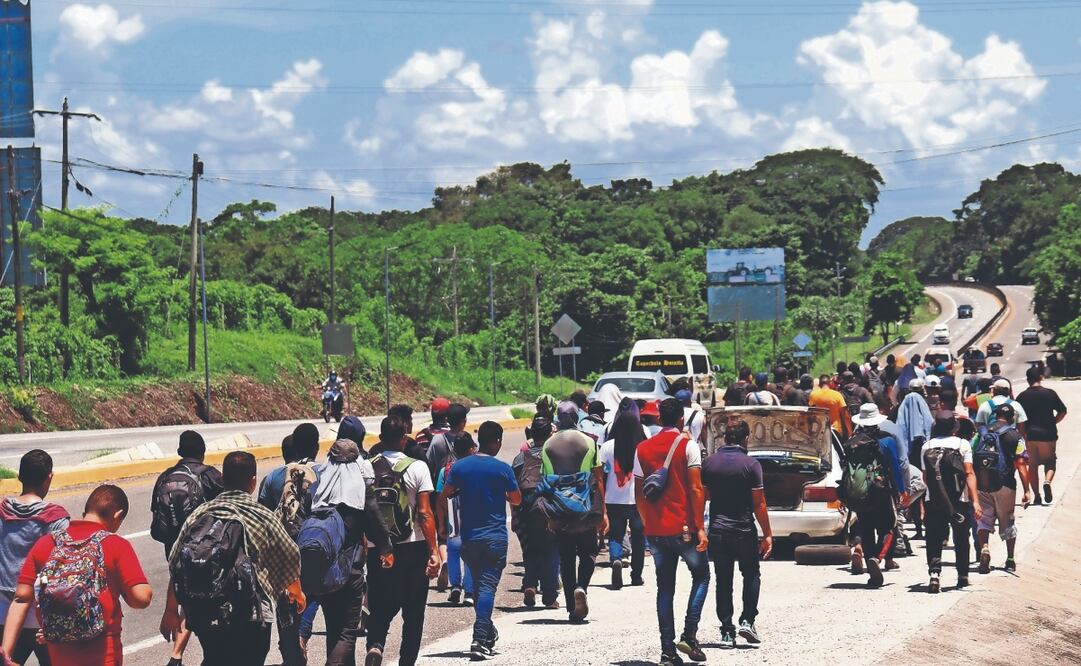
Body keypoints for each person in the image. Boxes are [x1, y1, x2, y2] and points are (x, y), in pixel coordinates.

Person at [163, 451, 302, 666]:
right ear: (253, 482)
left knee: (214, 659)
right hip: (251, 617)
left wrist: (170, 611)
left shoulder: (200, 513)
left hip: (207, 614)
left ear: (223, 479)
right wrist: (297, 593)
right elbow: (290, 557)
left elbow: (176, 564)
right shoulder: (262, 516)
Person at [4, 485, 150, 666]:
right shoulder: (115, 545)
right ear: (117, 515)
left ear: (85, 511)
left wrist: (7, 652)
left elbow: (21, 598)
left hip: (59, 654)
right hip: (103, 655)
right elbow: (141, 598)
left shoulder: (46, 544)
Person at [634, 398, 709, 665]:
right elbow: (696, 489)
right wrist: (700, 527)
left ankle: (667, 651)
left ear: (658, 419)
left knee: (665, 589)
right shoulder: (688, 446)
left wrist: (647, 523)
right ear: (680, 419)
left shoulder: (642, 449)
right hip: (684, 528)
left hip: (655, 530)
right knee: (701, 576)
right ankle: (689, 635)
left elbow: (639, 493)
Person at [441, 422, 522, 661]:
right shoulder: (502, 469)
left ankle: (486, 630)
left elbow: (444, 496)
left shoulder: (460, 467)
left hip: (469, 538)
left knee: (478, 587)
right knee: (486, 588)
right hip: (494, 537)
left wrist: (445, 526)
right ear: (497, 441)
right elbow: (516, 499)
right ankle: (479, 637)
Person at [365, 416, 441, 666]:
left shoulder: (366, 467)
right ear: (404, 439)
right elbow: (424, 513)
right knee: (414, 610)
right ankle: (406, 660)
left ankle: (375, 644)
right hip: (413, 546)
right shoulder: (417, 467)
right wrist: (434, 551)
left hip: (379, 548)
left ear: (380, 439)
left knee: (379, 603)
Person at [309, 439, 389, 665]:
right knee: (346, 632)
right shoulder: (360, 489)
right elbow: (375, 522)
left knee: (333, 627)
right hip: (351, 570)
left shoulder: (317, 490)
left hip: (323, 569)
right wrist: (386, 548)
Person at [149, 430, 224, 666]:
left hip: (173, 548)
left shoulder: (165, 477)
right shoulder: (211, 476)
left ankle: (177, 654)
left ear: (180, 452)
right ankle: (197, 655)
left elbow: (155, 523)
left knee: (186, 594)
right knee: (199, 601)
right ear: (202, 452)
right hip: (204, 550)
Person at [701, 419, 773, 649]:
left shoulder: (709, 463)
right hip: (743, 529)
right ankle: (747, 620)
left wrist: (698, 528)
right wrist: (768, 534)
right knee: (751, 574)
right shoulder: (751, 465)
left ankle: (726, 631)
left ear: (724, 437)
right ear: (745, 438)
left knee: (723, 579)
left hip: (719, 530)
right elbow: (759, 503)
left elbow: (705, 496)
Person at [0, 450, 69, 666]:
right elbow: (63, 567)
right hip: (41, 616)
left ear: (19, 476)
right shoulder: (56, 519)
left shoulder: (2, 511)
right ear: (49, 477)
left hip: (3, 614)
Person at [541, 416, 608, 622]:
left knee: (567, 559)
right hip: (585, 508)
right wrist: (603, 512)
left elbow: (547, 482)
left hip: (561, 511)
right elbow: (598, 478)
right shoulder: (589, 442)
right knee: (588, 553)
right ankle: (582, 587)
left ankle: (572, 606)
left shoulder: (548, 445)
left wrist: (550, 515)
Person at [841, 404, 907, 587]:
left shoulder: (852, 442)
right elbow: (895, 468)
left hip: (859, 493)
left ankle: (871, 566)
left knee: (867, 529)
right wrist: (901, 490)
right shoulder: (886, 441)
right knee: (889, 528)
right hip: (881, 491)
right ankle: (877, 558)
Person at [921, 413, 981, 592]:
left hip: (934, 500)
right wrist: (975, 500)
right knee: (961, 537)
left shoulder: (927, 446)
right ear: (955, 427)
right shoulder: (963, 445)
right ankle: (962, 575)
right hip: (959, 500)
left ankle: (934, 574)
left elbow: (925, 477)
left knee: (934, 537)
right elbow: (969, 473)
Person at [973, 403, 1031, 575]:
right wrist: (1027, 490)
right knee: (1007, 521)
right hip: (1005, 484)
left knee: (983, 520)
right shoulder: (1016, 436)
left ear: (995, 415)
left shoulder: (982, 433)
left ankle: (984, 548)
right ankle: (1010, 559)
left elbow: (970, 454)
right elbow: (1021, 464)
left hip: (983, 484)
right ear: (1012, 418)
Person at [512, 417, 560, 609]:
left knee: (529, 550)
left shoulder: (520, 457)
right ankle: (549, 596)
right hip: (550, 509)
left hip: (525, 510)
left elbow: (513, 487)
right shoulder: (555, 455)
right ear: (550, 434)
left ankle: (530, 584)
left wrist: (515, 514)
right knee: (551, 551)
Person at [599, 402, 647, 589]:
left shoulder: (608, 447)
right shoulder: (643, 446)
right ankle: (636, 575)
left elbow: (601, 475)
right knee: (638, 538)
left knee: (616, 536)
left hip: (613, 500)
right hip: (638, 500)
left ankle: (616, 559)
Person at [436, 433, 478, 606]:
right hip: (472, 514)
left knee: (453, 551)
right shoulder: (475, 468)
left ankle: (455, 586)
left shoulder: (445, 470)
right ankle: (469, 591)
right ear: (470, 449)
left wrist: (441, 523)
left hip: (452, 514)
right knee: (470, 552)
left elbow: (439, 498)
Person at [1016, 366, 1067, 505]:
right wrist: (1053, 422)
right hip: (1048, 434)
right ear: (1040, 377)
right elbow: (1062, 411)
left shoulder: (1022, 396)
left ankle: (1037, 495)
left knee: (1032, 465)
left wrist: (1022, 433)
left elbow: (1018, 418)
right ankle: (1047, 482)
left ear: (1028, 380)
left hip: (1030, 435)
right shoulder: (1050, 393)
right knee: (1050, 462)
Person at [259, 423, 321, 511]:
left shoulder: (273, 476)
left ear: (295, 448)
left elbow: (264, 512)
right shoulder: (326, 473)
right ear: (317, 447)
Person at [426, 403, 469, 482]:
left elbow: (428, 465)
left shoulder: (437, 440)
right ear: (464, 422)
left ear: (446, 420)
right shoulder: (467, 439)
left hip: (441, 489)